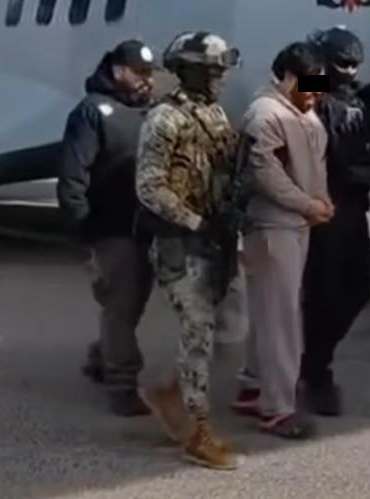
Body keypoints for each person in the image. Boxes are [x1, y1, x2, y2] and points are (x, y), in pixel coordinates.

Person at [134, 31, 244, 471]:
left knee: (229, 332)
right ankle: (198, 431)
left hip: (216, 241)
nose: (220, 77)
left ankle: (166, 390)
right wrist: (196, 221)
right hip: (182, 243)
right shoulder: (164, 119)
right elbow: (149, 185)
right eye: (213, 70)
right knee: (198, 335)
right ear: (192, 70)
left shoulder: (213, 113)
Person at [230, 42, 332, 438]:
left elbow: (309, 164)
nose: (315, 93)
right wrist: (308, 203)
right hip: (273, 225)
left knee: (272, 312)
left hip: (297, 221)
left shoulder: (302, 112)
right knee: (281, 318)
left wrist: (319, 200)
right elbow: (265, 173)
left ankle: (255, 384)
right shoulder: (265, 114)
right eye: (308, 84)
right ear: (286, 77)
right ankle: (277, 406)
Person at [297, 26, 370, 417]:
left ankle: (314, 359)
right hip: (323, 208)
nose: (350, 70)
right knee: (322, 294)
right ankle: (313, 371)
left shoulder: (358, 100)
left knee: (356, 290)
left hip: (352, 209)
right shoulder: (310, 93)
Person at [56, 38, 158, 417]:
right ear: (118, 71)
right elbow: (73, 174)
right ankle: (122, 382)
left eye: (151, 74)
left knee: (131, 303)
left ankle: (102, 355)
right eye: (140, 73)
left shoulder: (150, 111)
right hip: (111, 227)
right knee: (121, 303)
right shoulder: (92, 112)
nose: (148, 81)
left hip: (145, 225)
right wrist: (82, 229)